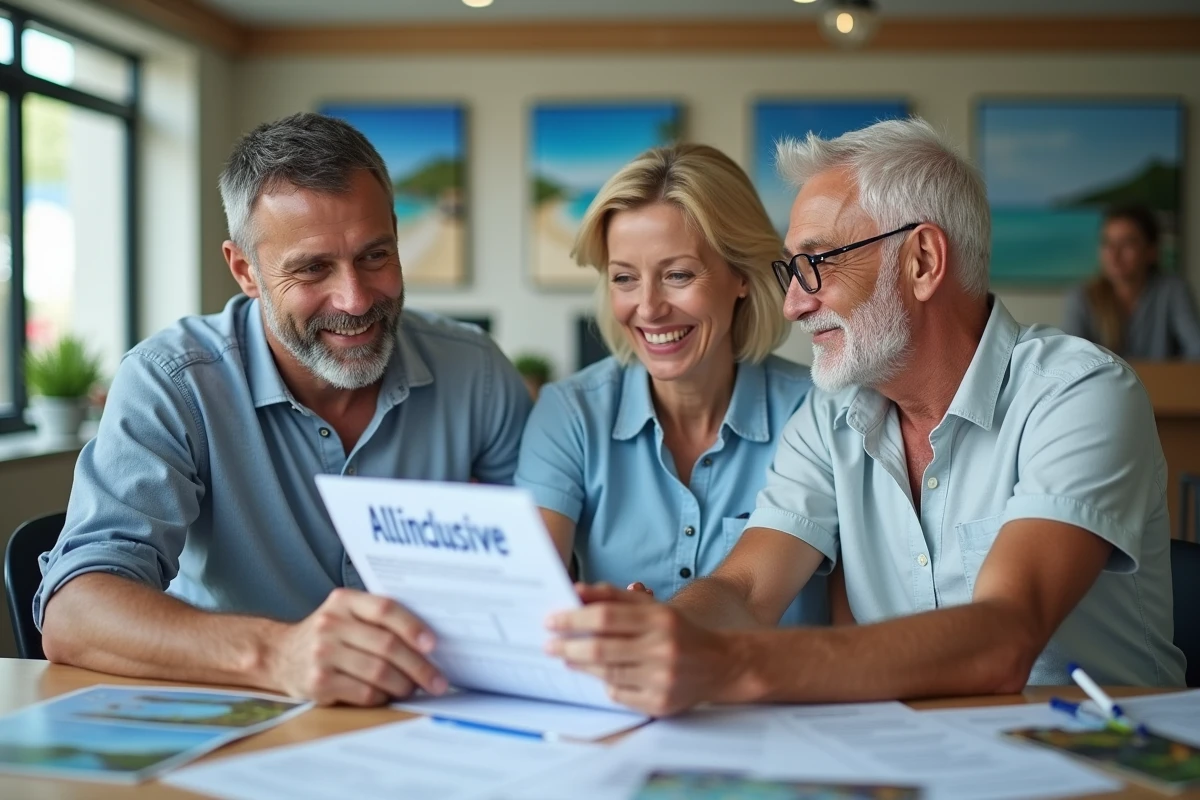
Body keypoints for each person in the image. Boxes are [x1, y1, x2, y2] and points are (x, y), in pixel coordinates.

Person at [544, 118, 1186, 716]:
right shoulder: (829, 420)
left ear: (923, 262)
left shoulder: (1079, 393)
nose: (793, 304)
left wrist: (727, 663)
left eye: (816, 264)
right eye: (790, 270)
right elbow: (744, 591)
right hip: (917, 759)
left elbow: (1004, 635)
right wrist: (660, 636)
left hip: (1111, 761)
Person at [35, 112, 532, 706]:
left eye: (375, 256)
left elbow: (537, 575)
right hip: (239, 710)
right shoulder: (173, 382)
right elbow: (75, 614)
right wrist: (278, 654)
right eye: (313, 268)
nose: (354, 299)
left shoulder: (476, 371)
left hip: (436, 710)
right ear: (246, 270)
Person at [516, 143, 828, 626]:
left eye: (678, 274)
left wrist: (661, 629)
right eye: (624, 278)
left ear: (741, 275)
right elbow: (530, 597)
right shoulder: (570, 413)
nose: (648, 307)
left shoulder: (816, 414)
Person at [1063, 205, 1200, 359]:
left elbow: (1196, 350)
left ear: (1151, 250)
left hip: (1165, 383)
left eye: (1127, 243)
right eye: (1108, 243)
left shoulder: (1173, 290)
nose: (1114, 254)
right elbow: (1073, 359)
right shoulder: (1083, 296)